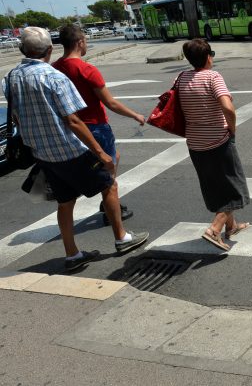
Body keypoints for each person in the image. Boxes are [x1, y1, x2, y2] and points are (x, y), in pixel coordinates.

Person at [2, 27, 148, 271]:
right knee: (109, 185)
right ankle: (122, 238)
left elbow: (16, 116)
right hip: (69, 150)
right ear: (49, 50)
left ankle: (72, 254)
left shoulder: (11, 77)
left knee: (65, 201)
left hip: (42, 153)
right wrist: (101, 154)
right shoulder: (54, 77)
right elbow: (74, 121)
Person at [53, 24, 146, 225]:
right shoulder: (86, 69)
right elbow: (110, 102)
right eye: (85, 40)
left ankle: (108, 204)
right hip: (95, 127)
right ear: (80, 43)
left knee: (114, 157)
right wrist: (135, 115)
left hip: (70, 128)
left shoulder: (54, 68)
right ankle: (111, 210)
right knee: (108, 172)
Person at [178, 39, 251, 251]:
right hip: (218, 141)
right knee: (236, 189)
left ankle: (232, 227)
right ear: (208, 56)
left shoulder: (181, 78)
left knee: (217, 187)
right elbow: (228, 108)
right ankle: (214, 229)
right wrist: (232, 129)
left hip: (195, 143)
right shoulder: (212, 76)